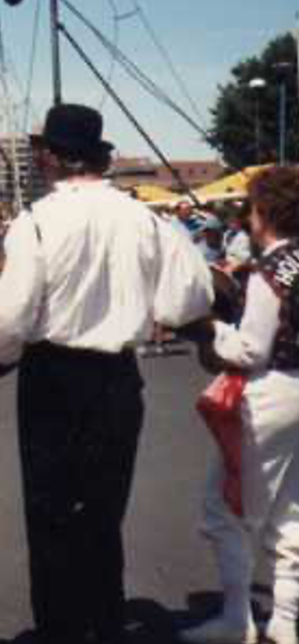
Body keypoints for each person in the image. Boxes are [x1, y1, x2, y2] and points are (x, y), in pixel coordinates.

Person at [0, 103, 213, 644]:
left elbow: (13, 321)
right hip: (118, 377)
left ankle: (62, 631)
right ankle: (106, 624)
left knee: (51, 518)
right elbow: (187, 298)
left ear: (50, 158)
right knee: (103, 514)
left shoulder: (37, 223)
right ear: (96, 156)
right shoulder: (144, 218)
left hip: (54, 377)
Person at [178, 166, 299, 644]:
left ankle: (235, 620)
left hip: (273, 393)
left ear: (264, 212)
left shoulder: (269, 272)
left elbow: (251, 350)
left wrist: (210, 330)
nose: (248, 218)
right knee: (290, 509)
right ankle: (286, 620)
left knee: (223, 508)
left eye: (251, 209)